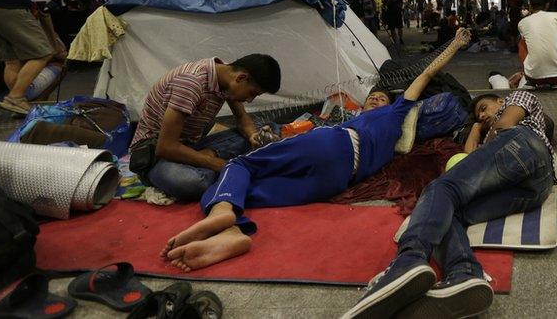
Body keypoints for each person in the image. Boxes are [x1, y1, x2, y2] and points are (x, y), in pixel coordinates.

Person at [162, 29, 472, 272]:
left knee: (239, 165)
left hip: (333, 145)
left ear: (393, 106)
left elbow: (425, 75)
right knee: (244, 189)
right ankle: (232, 231)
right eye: (372, 99)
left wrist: (455, 45)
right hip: (335, 180)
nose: (376, 100)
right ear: (362, 106)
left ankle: (221, 212)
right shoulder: (354, 117)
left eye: (381, 99)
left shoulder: (396, 112)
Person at [342, 90, 555, 319]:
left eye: (484, 108)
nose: (481, 116)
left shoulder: (517, 99)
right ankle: (464, 274)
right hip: (535, 189)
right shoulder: (487, 135)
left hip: (522, 145)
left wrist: (489, 130)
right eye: (477, 115)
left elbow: (505, 125)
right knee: (449, 212)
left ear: (500, 101)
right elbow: (469, 156)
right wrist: (476, 128)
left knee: (439, 189)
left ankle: (408, 260)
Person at [129, 54, 281, 201]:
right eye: (252, 93)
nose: (249, 100)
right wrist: (220, 164)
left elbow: (242, 118)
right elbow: (165, 147)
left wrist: (253, 136)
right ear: (241, 78)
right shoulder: (191, 83)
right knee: (194, 183)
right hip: (156, 155)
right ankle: (222, 164)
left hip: (190, 145)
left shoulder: (226, 75)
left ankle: (210, 158)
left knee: (267, 129)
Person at [517, 0, 557, 87]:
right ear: (547, 5)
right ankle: (556, 83)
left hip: (533, 77)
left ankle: (532, 75)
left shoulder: (522, 23)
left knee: (522, 42)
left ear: (530, 5)